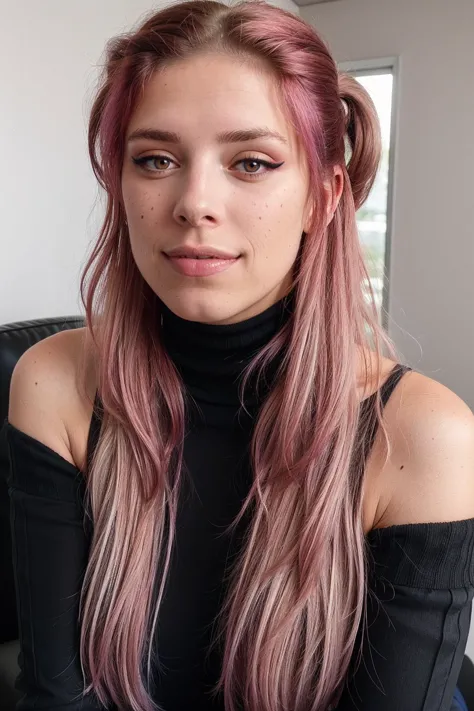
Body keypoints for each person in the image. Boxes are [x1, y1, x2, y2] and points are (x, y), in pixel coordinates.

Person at [4, 0, 474, 709]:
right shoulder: (54, 382)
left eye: (251, 162)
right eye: (155, 159)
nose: (195, 202)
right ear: (120, 184)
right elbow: (58, 694)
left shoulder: (423, 438)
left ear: (323, 196)